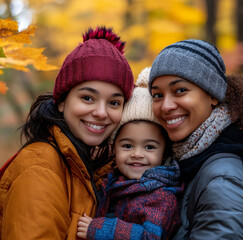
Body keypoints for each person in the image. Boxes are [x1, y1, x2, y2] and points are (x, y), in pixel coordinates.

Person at [0, 26, 134, 240]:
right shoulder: (40, 167)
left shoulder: (94, 167)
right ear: (62, 102)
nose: (101, 112)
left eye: (114, 102)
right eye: (87, 98)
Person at [148, 39, 243, 239]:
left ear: (213, 95)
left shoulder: (223, 178)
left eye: (180, 90)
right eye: (157, 95)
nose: (165, 106)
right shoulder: (192, 159)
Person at [76, 68, 183, 240]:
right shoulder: (114, 180)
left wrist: (100, 228)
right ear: (114, 148)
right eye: (127, 146)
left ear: (164, 153)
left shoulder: (161, 196)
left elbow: (151, 237)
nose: (137, 154)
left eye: (149, 147)